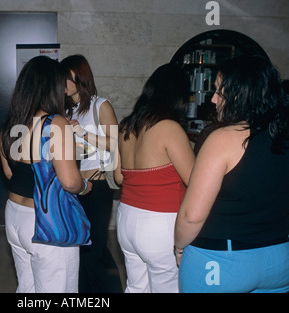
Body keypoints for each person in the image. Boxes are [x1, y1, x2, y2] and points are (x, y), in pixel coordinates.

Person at [175, 55, 289, 293]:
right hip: (279, 259)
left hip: (222, 259)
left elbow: (191, 216)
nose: (214, 99)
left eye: (220, 92)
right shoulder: (283, 134)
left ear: (242, 93)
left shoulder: (223, 138)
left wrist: (178, 246)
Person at [0, 56, 92, 293]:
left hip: (14, 216)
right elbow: (70, 182)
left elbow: (10, 174)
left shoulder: (10, 124)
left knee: (28, 287)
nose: (63, 88)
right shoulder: (54, 123)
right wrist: (85, 186)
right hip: (45, 219)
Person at [115, 63, 195, 293]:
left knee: (136, 287)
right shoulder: (169, 128)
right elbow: (194, 180)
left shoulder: (126, 127)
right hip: (160, 223)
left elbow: (119, 177)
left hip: (126, 220)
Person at [61, 54, 123, 293]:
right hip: (76, 185)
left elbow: (116, 143)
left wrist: (83, 134)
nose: (63, 84)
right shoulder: (68, 110)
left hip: (97, 186)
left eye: (67, 78)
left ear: (80, 78)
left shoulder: (100, 105)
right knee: (80, 249)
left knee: (94, 248)